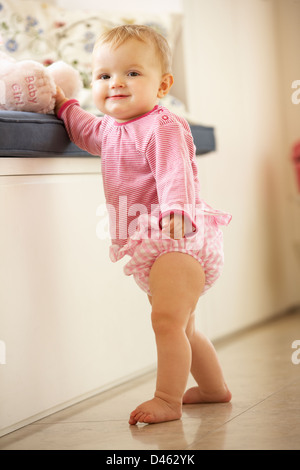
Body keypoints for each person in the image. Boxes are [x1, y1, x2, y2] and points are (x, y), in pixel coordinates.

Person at [55, 24, 232, 425]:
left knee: (165, 321)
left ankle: (167, 399)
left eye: (132, 73)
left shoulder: (161, 125)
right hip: (153, 243)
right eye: (103, 76)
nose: (116, 83)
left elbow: (175, 174)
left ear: (163, 84)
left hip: (178, 235)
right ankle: (211, 388)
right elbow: (83, 129)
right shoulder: (110, 129)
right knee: (182, 326)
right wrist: (63, 104)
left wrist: (175, 213)